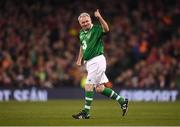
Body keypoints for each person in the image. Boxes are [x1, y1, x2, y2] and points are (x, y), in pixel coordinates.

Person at [72, 9, 128, 119]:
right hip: (90, 62)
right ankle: (122, 101)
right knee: (99, 88)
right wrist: (79, 59)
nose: (85, 23)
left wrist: (99, 17)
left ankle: (86, 112)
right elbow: (82, 46)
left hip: (97, 60)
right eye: (83, 22)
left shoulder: (96, 28)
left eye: (87, 21)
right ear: (80, 24)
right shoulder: (81, 33)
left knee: (88, 85)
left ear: (90, 20)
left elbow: (107, 29)